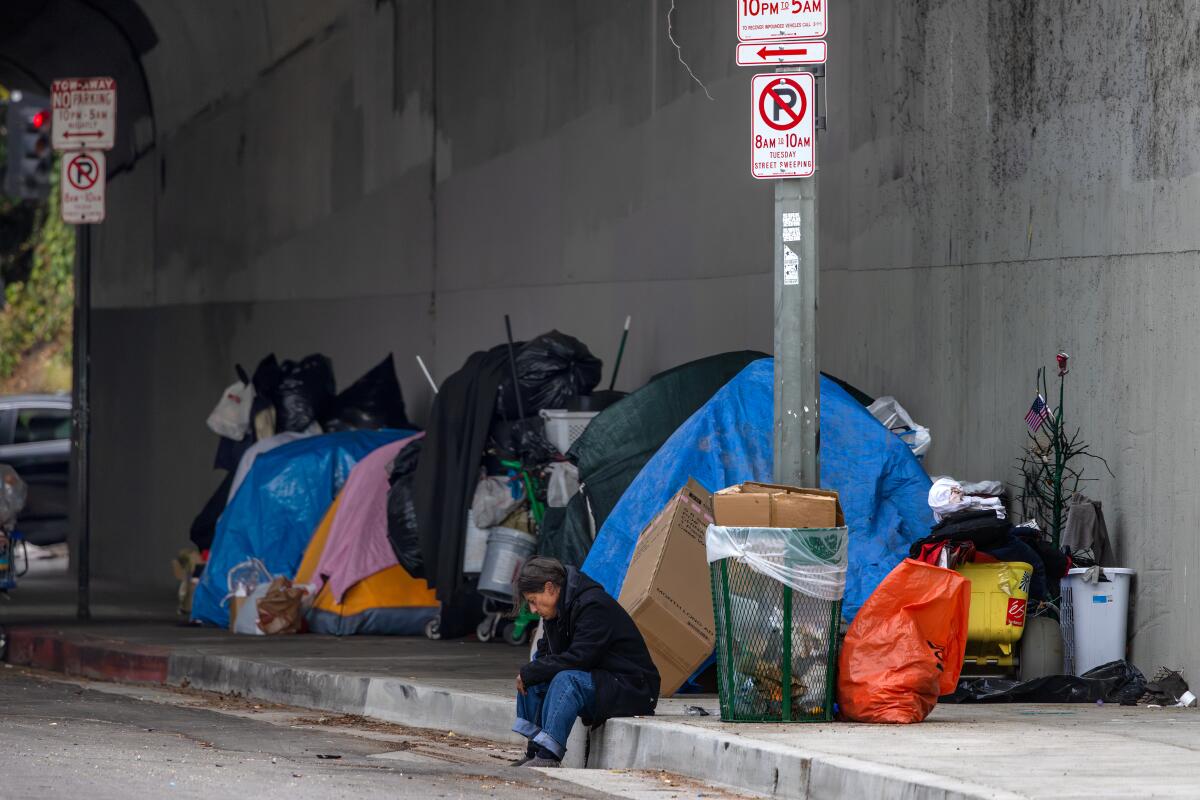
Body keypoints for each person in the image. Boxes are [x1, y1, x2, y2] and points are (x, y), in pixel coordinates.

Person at [511, 557, 660, 768]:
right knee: (533, 677)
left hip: (633, 687)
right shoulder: (556, 612)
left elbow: (581, 658)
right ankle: (534, 750)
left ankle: (548, 756)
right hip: (600, 680)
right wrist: (530, 673)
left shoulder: (593, 604)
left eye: (533, 601)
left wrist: (533, 671)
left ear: (550, 588)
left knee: (565, 680)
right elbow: (546, 656)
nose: (533, 610)